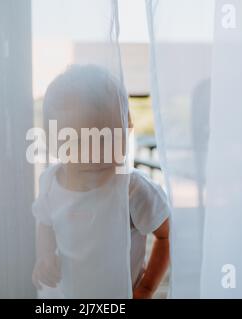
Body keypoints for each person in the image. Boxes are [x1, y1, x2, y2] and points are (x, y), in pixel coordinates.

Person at [31, 65, 170, 299]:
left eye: (106, 139)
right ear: (53, 141)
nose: (94, 153)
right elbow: (45, 222)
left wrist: (147, 287)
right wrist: (45, 256)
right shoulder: (50, 183)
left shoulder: (131, 188)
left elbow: (166, 235)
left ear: (128, 127)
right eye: (76, 142)